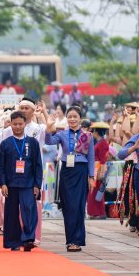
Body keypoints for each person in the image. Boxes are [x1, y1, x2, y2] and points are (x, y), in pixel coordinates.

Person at [0, 98, 46, 246]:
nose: (17, 127)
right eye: (15, 124)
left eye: (20, 124)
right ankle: (12, 241)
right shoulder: (5, 143)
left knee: (29, 211)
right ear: (11, 125)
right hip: (11, 183)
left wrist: (37, 185)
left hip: (28, 183)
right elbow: (1, 166)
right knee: (11, 213)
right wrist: (3, 183)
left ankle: (28, 238)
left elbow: (37, 165)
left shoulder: (32, 143)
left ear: (24, 124)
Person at [45, 106, 95, 252]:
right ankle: (70, 240)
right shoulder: (62, 134)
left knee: (79, 206)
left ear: (80, 118)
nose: (72, 119)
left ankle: (77, 241)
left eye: (75, 116)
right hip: (67, 171)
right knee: (68, 206)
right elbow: (49, 141)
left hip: (81, 171)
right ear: (67, 118)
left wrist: (91, 176)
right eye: (70, 116)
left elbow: (91, 157)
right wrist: (48, 127)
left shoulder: (87, 136)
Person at [87, 122, 109, 219]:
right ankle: (95, 212)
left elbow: (103, 159)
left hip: (98, 168)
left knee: (96, 192)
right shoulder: (100, 142)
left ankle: (99, 212)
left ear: (96, 132)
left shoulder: (103, 143)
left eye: (93, 131)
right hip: (96, 168)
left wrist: (102, 172)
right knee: (94, 191)